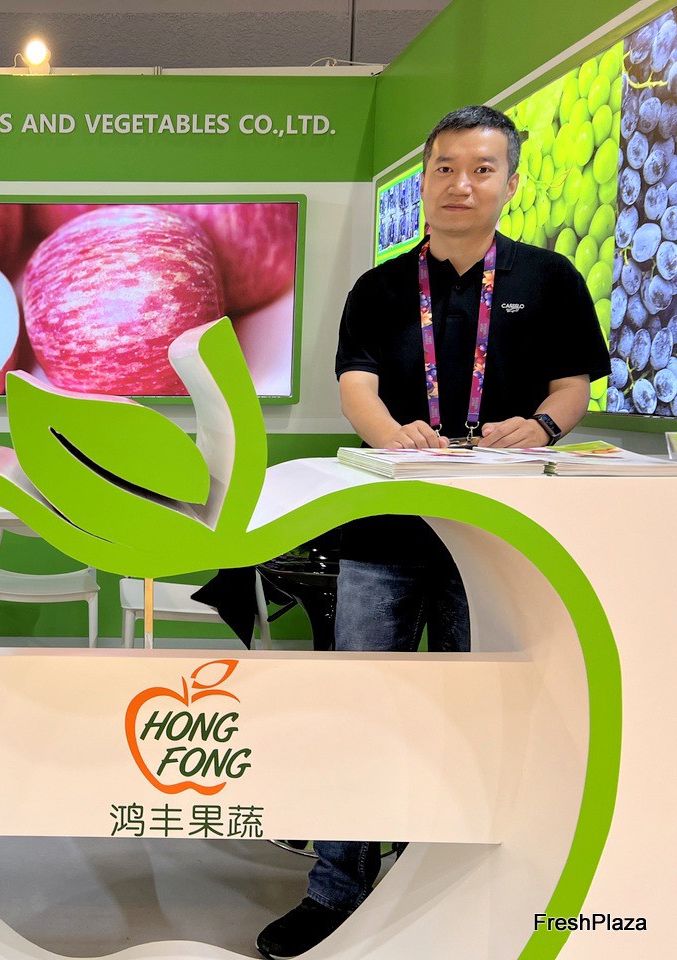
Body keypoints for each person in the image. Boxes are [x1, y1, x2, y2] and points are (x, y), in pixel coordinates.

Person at [254, 105, 609, 959]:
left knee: (475, 712)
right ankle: (336, 890)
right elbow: (357, 387)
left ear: (510, 182)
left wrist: (544, 427)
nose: (461, 184)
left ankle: (451, 879)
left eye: (482, 169)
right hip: (387, 533)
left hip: (498, 543)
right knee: (361, 706)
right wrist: (393, 440)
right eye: (445, 167)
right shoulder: (380, 288)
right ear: (425, 180)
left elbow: (572, 386)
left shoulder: (550, 279)